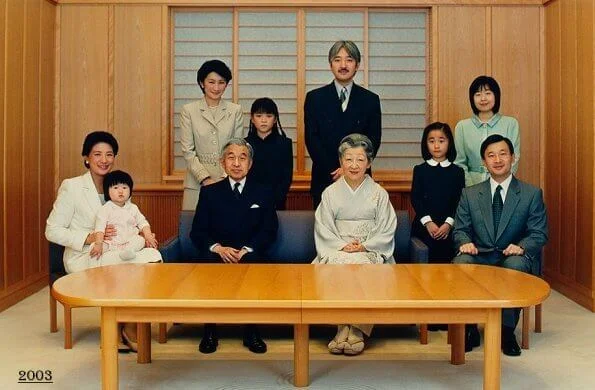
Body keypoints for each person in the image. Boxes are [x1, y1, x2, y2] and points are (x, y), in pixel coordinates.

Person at [45, 131, 162, 352]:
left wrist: (145, 235)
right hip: (87, 254)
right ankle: (116, 329)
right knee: (120, 267)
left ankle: (129, 322)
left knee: (151, 259)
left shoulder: (118, 185)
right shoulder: (72, 186)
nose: (104, 160)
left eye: (109, 154)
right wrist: (89, 237)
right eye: (97, 154)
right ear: (87, 157)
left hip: (119, 249)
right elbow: (52, 230)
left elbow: (130, 221)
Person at [452, 134, 548, 356]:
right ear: (484, 163)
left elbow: (538, 232)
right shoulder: (470, 194)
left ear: (513, 158)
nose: (497, 160)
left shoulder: (531, 193)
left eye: (503, 154)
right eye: (491, 155)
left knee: (515, 266)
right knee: (462, 262)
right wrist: (465, 242)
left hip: (511, 254)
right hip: (480, 253)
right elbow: (460, 229)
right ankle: (469, 327)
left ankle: (506, 331)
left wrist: (522, 246)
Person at [190, 138, 278, 354]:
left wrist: (247, 249)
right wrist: (218, 248)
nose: (237, 163)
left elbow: (269, 229)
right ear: (222, 162)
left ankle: (252, 330)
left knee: (255, 264)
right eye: (231, 157)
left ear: (250, 163)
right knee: (207, 262)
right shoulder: (210, 193)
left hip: (248, 252)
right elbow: (197, 231)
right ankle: (209, 330)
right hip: (219, 252)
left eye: (242, 158)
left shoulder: (263, 192)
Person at [313, 133, 397, 355]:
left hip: (369, 248)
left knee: (365, 267)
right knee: (338, 266)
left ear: (369, 163)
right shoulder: (330, 193)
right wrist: (341, 246)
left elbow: (387, 228)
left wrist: (365, 246)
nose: (354, 165)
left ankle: (357, 329)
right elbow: (324, 227)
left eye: (360, 159)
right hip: (338, 247)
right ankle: (343, 327)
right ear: (340, 162)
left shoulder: (379, 194)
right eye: (348, 159)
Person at [304, 40, 382, 208]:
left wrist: (349, 168)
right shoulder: (314, 98)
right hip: (326, 177)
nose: (343, 65)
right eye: (337, 59)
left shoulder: (370, 100)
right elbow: (312, 139)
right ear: (330, 64)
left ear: (357, 65)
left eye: (349, 59)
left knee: (360, 228)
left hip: (359, 177)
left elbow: (374, 139)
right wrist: (336, 169)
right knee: (326, 230)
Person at [180, 59, 244, 211]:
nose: (216, 87)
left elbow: (237, 148)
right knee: (195, 229)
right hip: (196, 184)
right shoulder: (189, 110)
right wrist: (205, 178)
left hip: (227, 181)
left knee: (227, 229)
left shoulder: (235, 110)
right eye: (211, 82)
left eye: (221, 82)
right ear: (202, 83)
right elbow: (188, 150)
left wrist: (224, 177)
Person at [411, 122, 465, 263]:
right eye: (431, 141)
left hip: (450, 226)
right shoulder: (420, 170)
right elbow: (415, 198)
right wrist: (428, 222)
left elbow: (459, 201)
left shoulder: (457, 172)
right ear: (425, 144)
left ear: (449, 143)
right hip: (424, 227)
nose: (436, 145)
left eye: (441, 141)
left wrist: (448, 224)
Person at [454, 75, 520, 187]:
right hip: (471, 186)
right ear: (472, 98)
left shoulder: (511, 124)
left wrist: (500, 184)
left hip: (503, 186)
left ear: (496, 96)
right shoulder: (462, 127)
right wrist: (471, 188)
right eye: (478, 94)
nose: (483, 98)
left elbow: (514, 159)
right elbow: (459, 163)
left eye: (488, 93)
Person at [90, 170, 158, 260]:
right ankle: (118, 253)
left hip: (129, 241)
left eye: (125, 188)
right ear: (107, 191)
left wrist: (148, 236)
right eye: (115, 188)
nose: (121, 191)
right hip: (112, 243)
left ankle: (128, 252)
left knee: (140, 240)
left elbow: (143, 223)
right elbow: (100, 228)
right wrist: (99, 243)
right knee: (94, 246)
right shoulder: (105, 209)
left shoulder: (133, 208)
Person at [245, 97, 293, 210]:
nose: (263, 120)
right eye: (259, 116)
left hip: (277, 201)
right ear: (252, 118)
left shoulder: (285, 143)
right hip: (249, 200)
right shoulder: (245, 144)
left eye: (269, 116)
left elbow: (286, 176)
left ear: (275, 119)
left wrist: (275, 198)